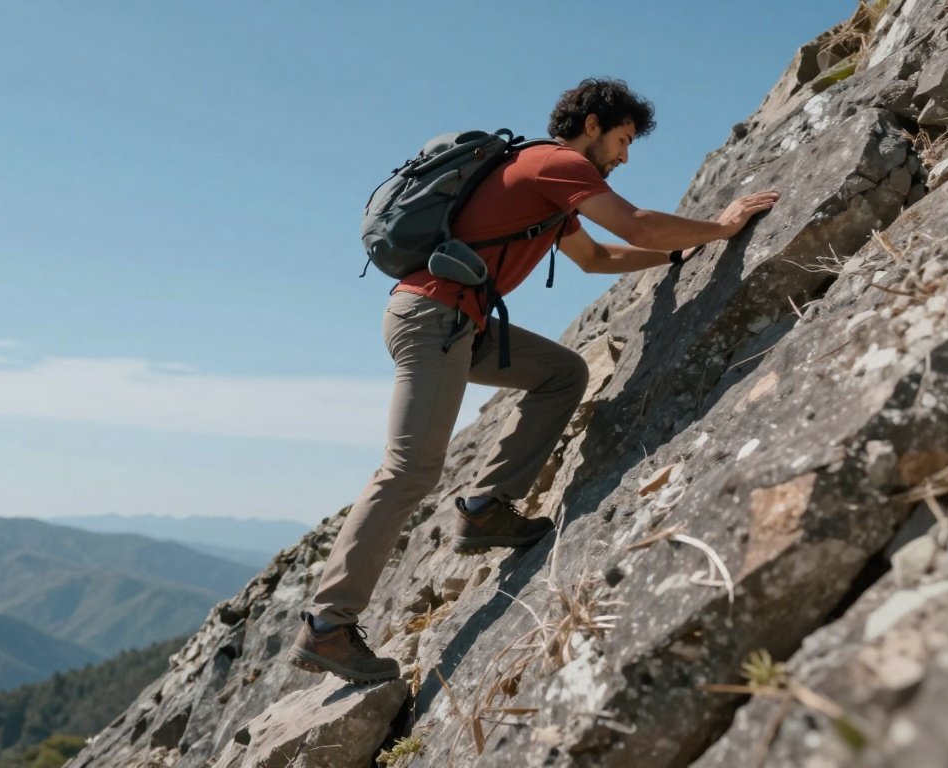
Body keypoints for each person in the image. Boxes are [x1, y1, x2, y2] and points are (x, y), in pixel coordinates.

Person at [287, 78, 779, 684]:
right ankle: (328, 626)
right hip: (435, 317)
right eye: (623, 140)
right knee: (410, 468)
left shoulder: (545, 184)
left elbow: (598, 258)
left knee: (562, 373)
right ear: (592, 124)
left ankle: (487, 508)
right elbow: (635, 226)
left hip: (456, 322)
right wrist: (721, 228)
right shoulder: (557, 164)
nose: (625, 157)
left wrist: (680, 257)